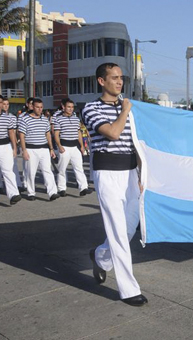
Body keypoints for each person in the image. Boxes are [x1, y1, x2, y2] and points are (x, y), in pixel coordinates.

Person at [83, 62, 147, 306]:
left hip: (130, 172)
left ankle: (101, 256)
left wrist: (142, 174)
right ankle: (129, 290)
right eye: (114, 78)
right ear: (101, 81)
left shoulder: (128, 108)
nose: (119, 82)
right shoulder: (90, 108)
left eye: (121, 78)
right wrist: (124, 111)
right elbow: (113, 133)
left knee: (130, 226)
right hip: (107, 172)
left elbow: (136, 142)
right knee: (118, 231)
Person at [18, 98, 58, 201]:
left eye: (41, 107)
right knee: (31, 172)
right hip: (31, 149)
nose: (40, 109)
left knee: (47, 171)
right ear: (32, 107)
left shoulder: (45, 119)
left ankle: (52, 192)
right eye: (37, 107)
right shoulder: (24, 119)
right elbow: (21, 136)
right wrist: (24, 150)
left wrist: (51, 149)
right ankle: (31, 193)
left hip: (44, 148)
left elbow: (48, 134)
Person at [53, 98, 90, 197]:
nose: (71, 109)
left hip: (75, 147)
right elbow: (56, 134)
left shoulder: (76, 118)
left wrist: (82, 146)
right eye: (69, 107)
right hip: (64, 146)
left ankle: (83, 188)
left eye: (72, 107)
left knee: (79, 168)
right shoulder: (58, 119)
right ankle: (61, 189)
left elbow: (79, 133)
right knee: (62, 169)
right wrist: (59, 146)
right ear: (63, 107)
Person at [0, 95, 21, 205]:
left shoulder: (8, 118)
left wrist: (14, 147)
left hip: (5, 145)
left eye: (0, 102)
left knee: (8, 170)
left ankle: (13, 194)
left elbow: (11, 133)